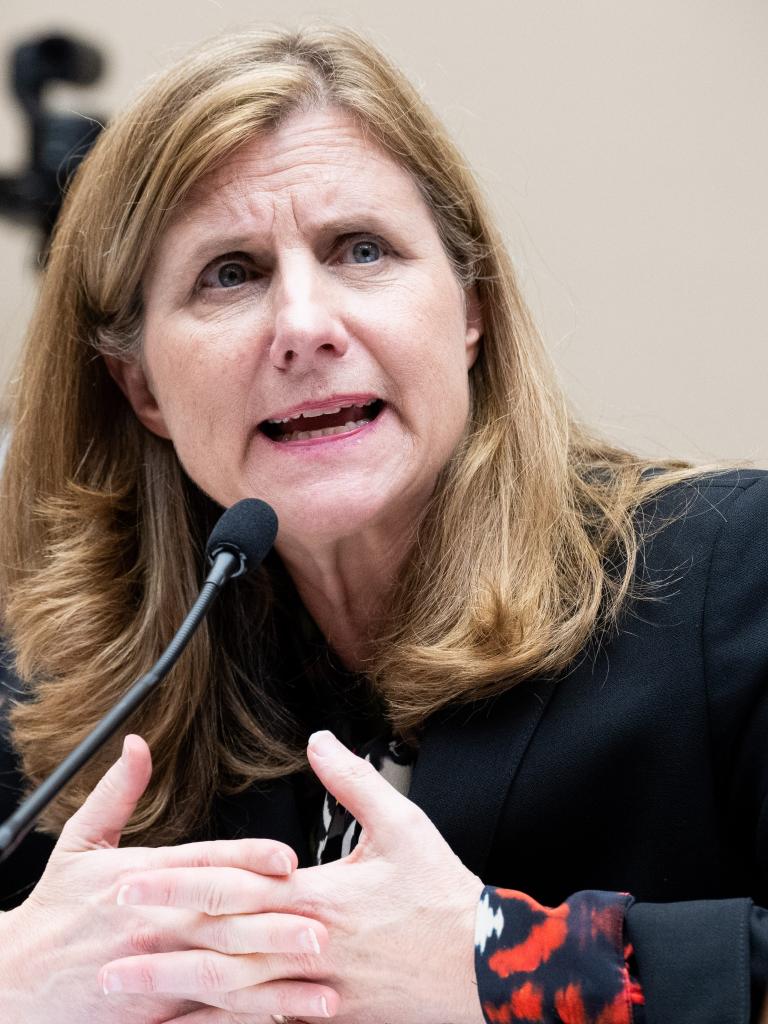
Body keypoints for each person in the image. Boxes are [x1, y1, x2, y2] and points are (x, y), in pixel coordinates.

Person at [0, 23, 765, 1024]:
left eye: (361, 250)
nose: (304, 326)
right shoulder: (64, 703)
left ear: (472, 312)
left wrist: (515, 964)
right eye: (229, 273)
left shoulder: (729, 580)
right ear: (140, 386)